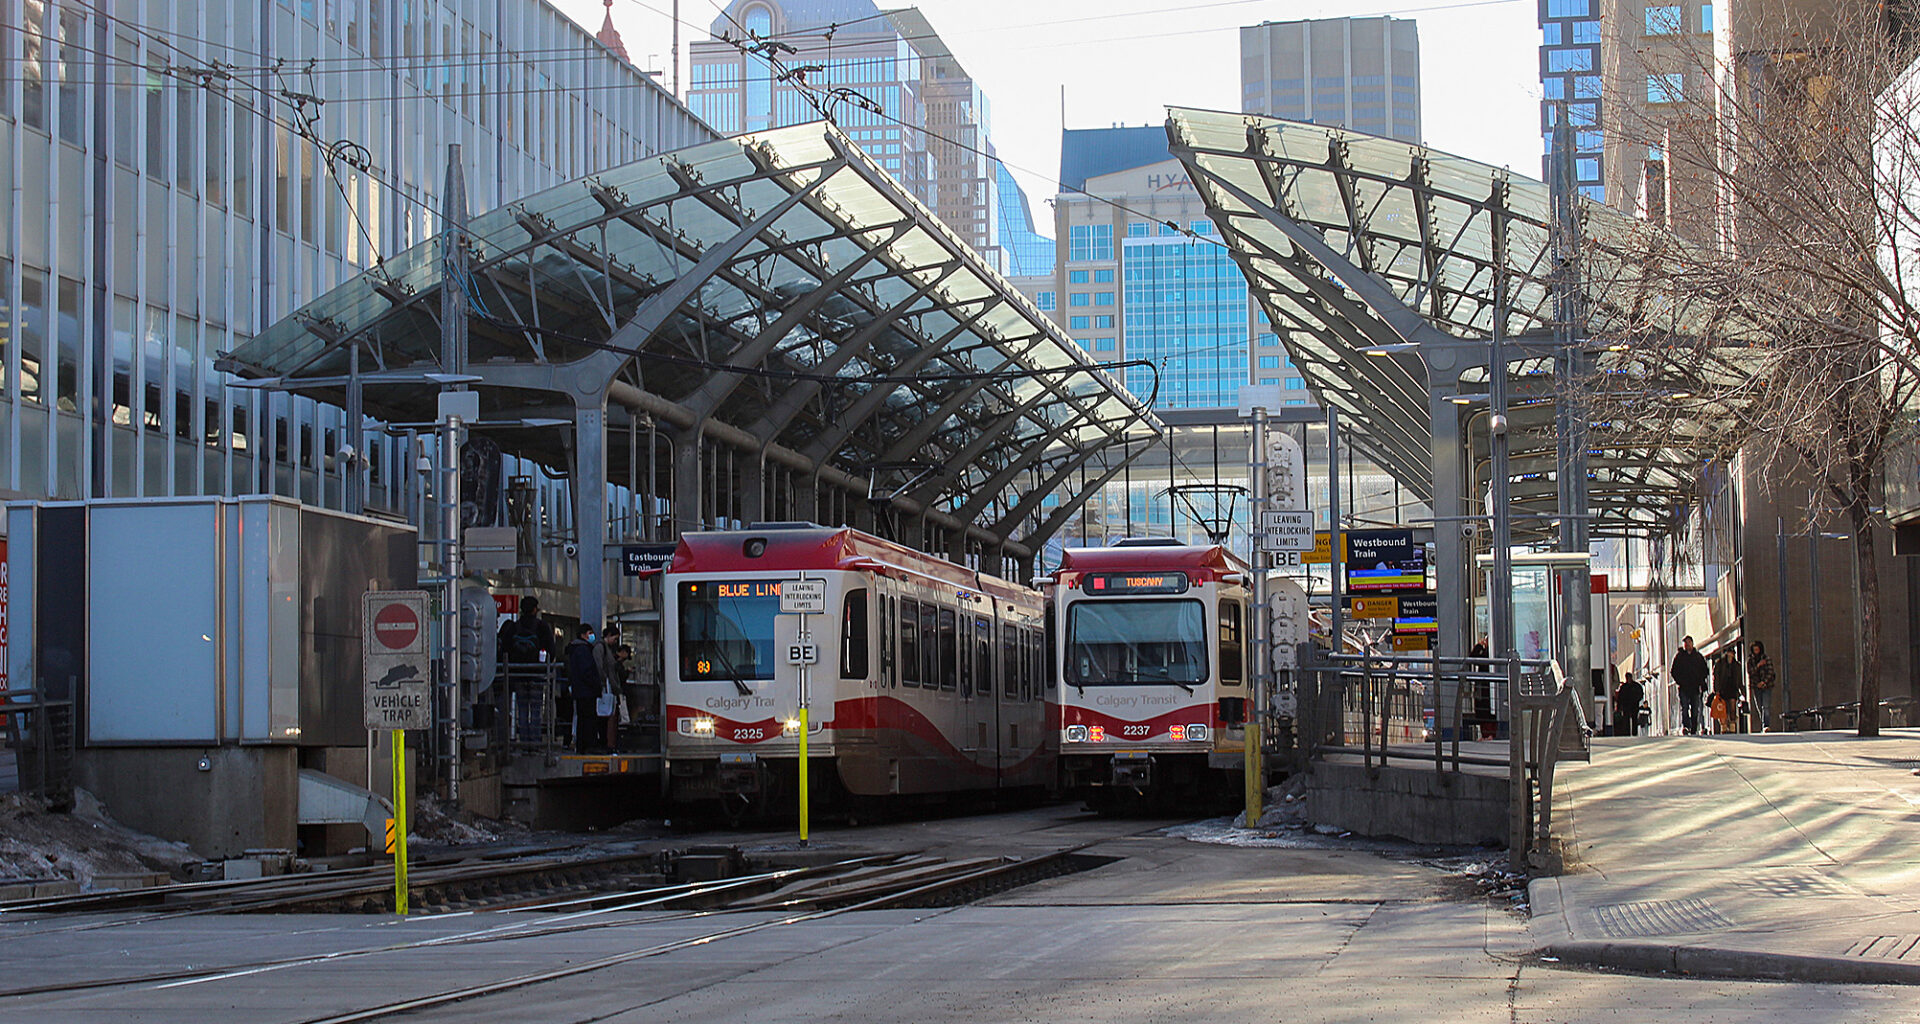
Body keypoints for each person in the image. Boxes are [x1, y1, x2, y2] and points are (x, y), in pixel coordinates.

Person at [566, 623, 605, 753]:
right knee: (588, 719)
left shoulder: (576, 649)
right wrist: (596, 684)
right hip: (587, 690)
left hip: (580, 690)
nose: (592, 636)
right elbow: (586, 671)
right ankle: (589, 746)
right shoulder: (583, 650)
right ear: (583, 635)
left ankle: (582, 746)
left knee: (583, 719)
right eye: (590, 633)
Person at [1671, 635, 1709, 735]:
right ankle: (1686, 726)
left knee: (1695, 708)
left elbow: (1705, 670)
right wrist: (1680, 681)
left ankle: (1694, 727)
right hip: (1684, 687)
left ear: (1692, 643)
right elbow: (1674, 671)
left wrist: (1701, 681)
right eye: (1685, 643)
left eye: (1689, 643)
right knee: (1685, 707)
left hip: (1695, 687)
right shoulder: (1679, 657)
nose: (1687, 645)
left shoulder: (1698, 656)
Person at [1713, 649, 1745, 734]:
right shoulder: (1720, 664)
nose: (1731, 655)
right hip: (1722, 689)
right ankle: (1723, 727)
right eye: (1730, 653)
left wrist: (1742, 691)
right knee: (1722, 709)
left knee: (1732, 708)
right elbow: (1716, 677)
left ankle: (1732, 728)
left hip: (1733, 689)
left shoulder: (1737, 665)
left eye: (1733, 654)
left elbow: (1739, 680)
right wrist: (1716, 690)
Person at [1748, 640, 1776, 732]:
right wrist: (1758, 665)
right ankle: (1763, 723)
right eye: (1754, 649)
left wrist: (1764, 682)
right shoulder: (1750, 660)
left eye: (1757, 649)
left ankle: (1766, 725)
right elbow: (1750, 672)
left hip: (1767, 686)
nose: (1756, 651)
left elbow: (1770, 672)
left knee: (1766, 706)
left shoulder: (1766, 659)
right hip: (1756, 686)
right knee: (1759, 706)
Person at [1614, 671, 1645, 737]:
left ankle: (1634, 732)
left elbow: (1640, 694)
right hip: (1626, 706)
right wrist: (1619, 707)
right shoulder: (1624, 687)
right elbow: (1620, 697)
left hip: (1634, 705)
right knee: (1626, 720)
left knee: (1634, 719)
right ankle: (1627, 733)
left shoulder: (1636, 686)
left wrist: (1637, 700)